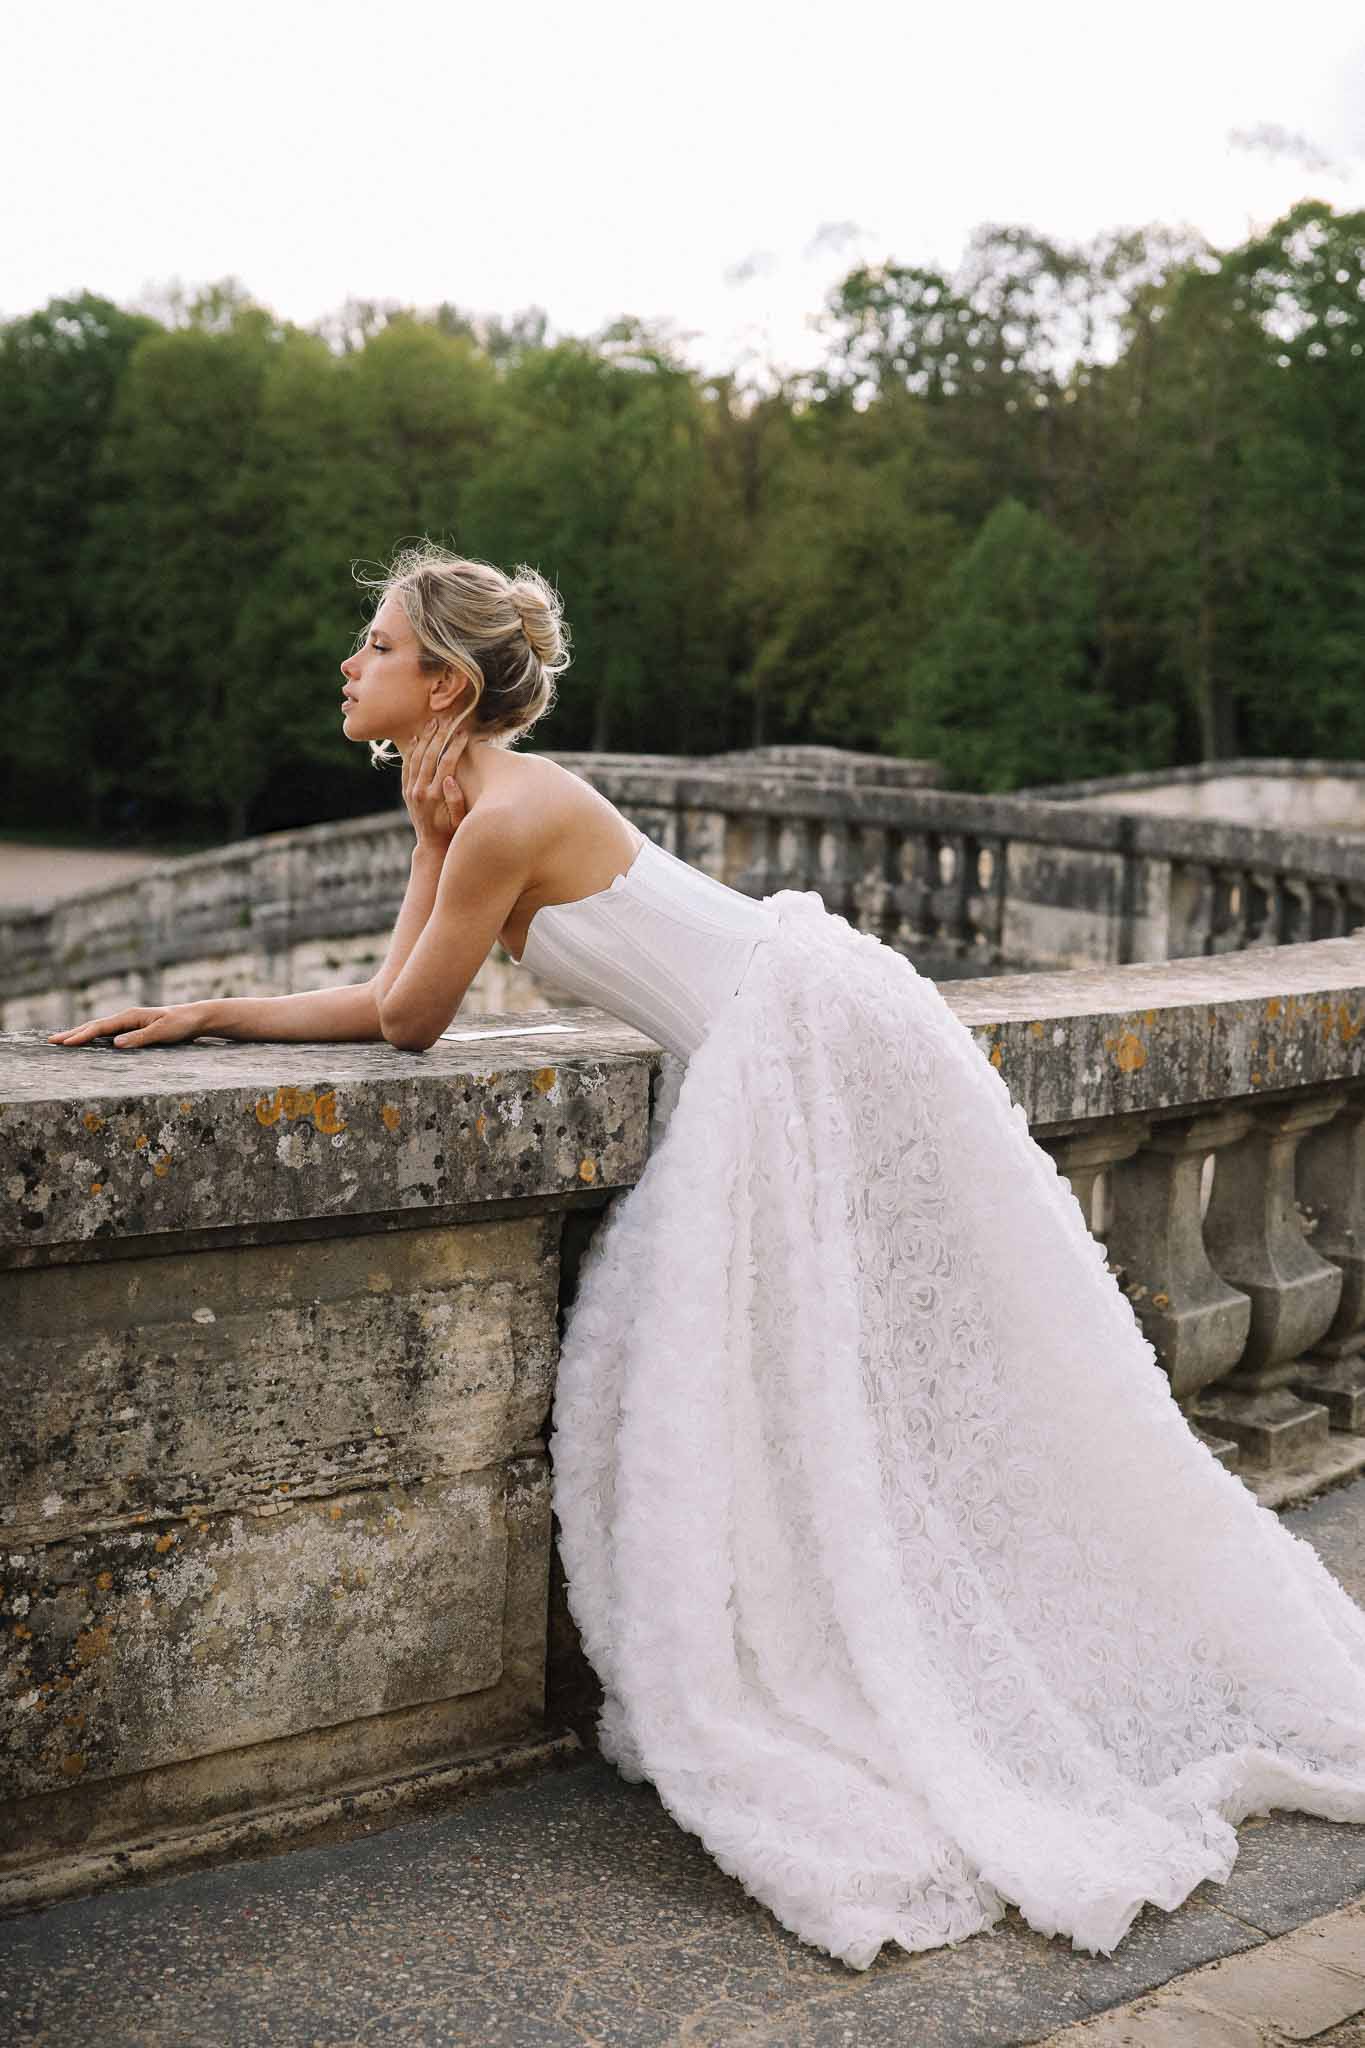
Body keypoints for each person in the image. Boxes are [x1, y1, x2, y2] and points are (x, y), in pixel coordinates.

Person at [49, 546, 1365, 1972]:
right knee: (888, 1375)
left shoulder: (497, 818)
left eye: (375, 645)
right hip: (791, 1028)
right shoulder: (485, 802)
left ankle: (1012, 1661)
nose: (349, 664)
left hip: (811, 1043)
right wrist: (213, 1013)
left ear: (443, 684)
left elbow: (410, 1019)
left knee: (933, 1367)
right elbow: (393, 994)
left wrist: (381, 883)